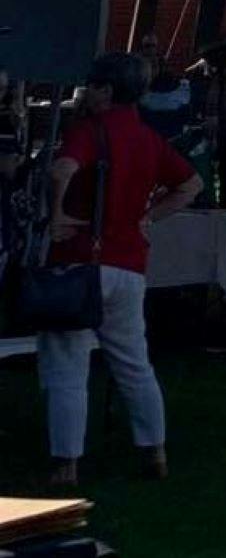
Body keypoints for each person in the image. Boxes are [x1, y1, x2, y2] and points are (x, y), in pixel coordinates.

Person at [37, 53, 203, 488]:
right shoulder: (148, 138)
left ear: (106, 90)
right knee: (134, 363)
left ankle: (66, 465)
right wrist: (150, 216)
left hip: (78, 262)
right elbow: (191, 184)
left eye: (92, 84)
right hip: (129, 264)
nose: (86, 91)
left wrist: (57, 214)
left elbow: (62, 168)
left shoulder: (89, 131)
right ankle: (154, 452)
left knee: (66, 365)